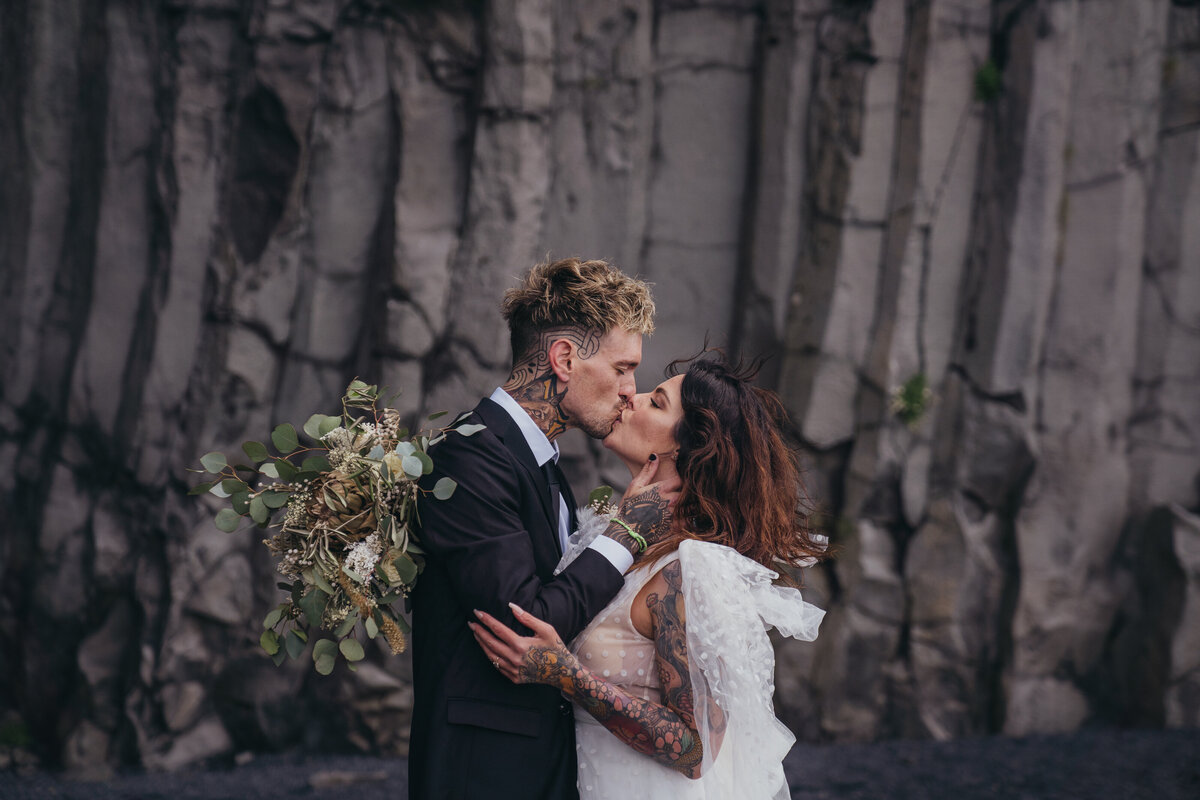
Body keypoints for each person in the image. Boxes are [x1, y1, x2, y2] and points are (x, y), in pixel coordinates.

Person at [472, 356, 829, 799]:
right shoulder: (613, 539)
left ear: (689, 449)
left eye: (656, 403)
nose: (631, 397)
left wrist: (568, 676)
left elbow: (696, 751)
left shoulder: (690, 569)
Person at [410, 257, 682, 800]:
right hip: (481, 775)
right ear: (563, 359)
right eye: (622, 367)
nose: (630, 390)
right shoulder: (470, 458)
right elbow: (525, 624)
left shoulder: (543, 466)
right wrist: (624, 536)